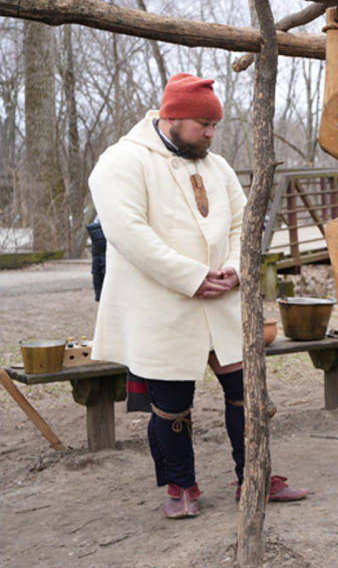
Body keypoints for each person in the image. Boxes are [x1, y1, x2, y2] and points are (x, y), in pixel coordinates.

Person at [89, 73, 307, 519]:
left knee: (246, 390)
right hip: (163, 302)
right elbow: (129, 233)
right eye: (202, 125)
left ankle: (255, 477)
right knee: (171, 405)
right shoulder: (121, 162)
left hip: (223, 296)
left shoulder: (217, 165)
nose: (210, 134)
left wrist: (237, 267)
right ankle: (180, 486)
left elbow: (242, 223)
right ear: (171, 117)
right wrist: (190, 276)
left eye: (214, 126)